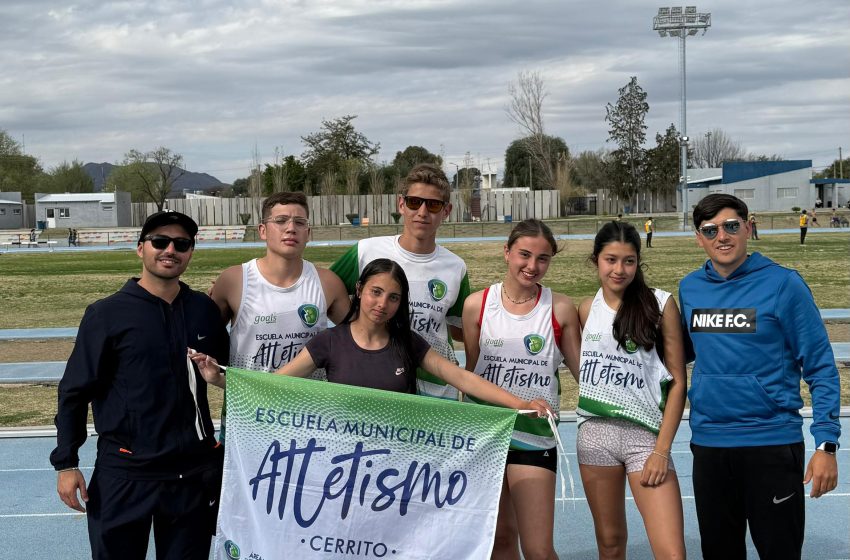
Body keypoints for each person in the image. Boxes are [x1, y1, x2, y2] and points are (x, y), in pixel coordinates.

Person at [50, 211, 229, 560]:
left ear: (191, 251)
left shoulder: (203, 310)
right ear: (140, 249)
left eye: (182, 244)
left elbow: (228, 375)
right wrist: (66, 463)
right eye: (160, 242)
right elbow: (74, 391)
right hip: (126, 471)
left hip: (191, 474)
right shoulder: (107, 314)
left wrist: (220, 381)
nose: (170, 250)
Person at [680, 193, 841, 559]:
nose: (722, 236)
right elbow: (677, 355)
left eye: (731, 226)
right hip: (709, 446)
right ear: (699, 238)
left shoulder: (785, 285)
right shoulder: (690, 289)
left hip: (770, 444)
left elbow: (820, 367)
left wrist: (826, 444)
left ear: (748, 228)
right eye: (710, 230)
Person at [192, 258, 551, 415]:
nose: (383, 304)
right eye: (376, 292)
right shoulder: (329, 343)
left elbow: (460, 376)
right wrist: (220, 379)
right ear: (360, 290)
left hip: (395, 465)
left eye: (394, 297)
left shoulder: (408, 344)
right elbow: (275, 384)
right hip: (342, 465)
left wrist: (520, 404)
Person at [461, 219, 581, 560]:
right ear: (507, 252)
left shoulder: (559, 309)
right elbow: (473, 374)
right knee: (499, 540)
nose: (532, 266)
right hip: (487, 435)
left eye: (542, 258)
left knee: (538, 549)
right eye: (524, 255)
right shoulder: (477, 306)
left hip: (534, 435)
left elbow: (583, 373)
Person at [575, 221, 687, 559]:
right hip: (594, 436)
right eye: (611, 260)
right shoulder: (585, 309)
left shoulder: (660, 304)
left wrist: (662, 450)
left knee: (670, 552)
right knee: (610, 544)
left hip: (646, 440)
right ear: (595, 260)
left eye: (629, 261)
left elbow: (679, 381)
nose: (619, 269)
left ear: (639, 262)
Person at [209, 191, 349, 441]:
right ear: (263, 230)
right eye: (281, 220)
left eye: (299, 222)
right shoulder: (234, 280)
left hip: (309, 418)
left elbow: (359, 339)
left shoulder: (328, 283)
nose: (291, 228)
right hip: (249, 413)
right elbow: (205, 337)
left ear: (309, 232)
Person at [331, 163, 470, 400]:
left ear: (446, 211)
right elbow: (329, 293)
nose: (423, 212)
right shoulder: (367, 250)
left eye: (433, 205)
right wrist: (356, 324)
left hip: (434, 388)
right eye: (415, 202)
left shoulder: (456, 267)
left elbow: (459, 330)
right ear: (401, 204)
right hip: (375, 379)